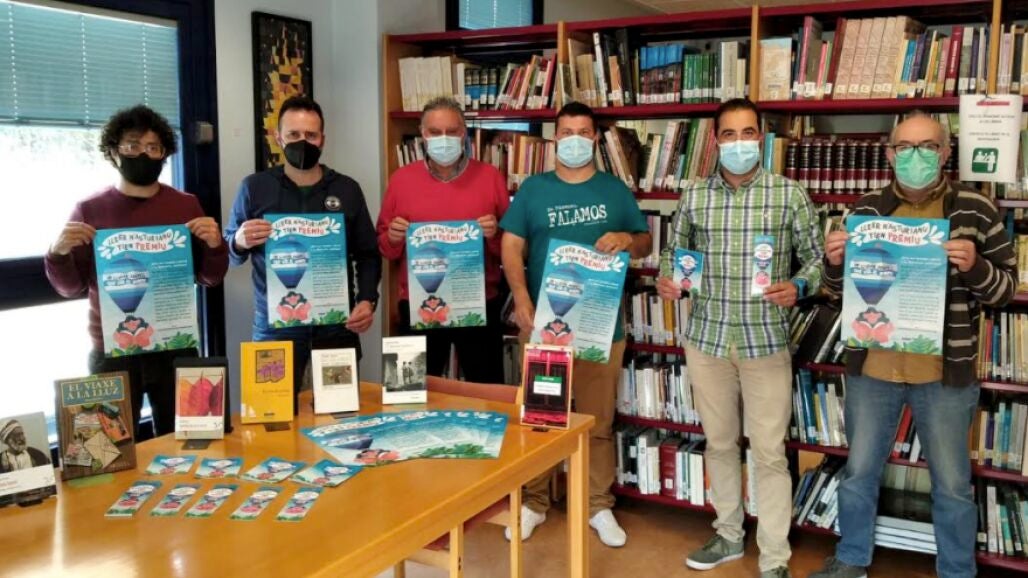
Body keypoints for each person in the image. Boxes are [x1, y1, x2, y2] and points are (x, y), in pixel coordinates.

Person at [810, 112, 1016, 578]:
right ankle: (851, 559)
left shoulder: (975, 209)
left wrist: (976, 266)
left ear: (945, 153)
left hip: (943, 375)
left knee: (952, 484)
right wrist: (834, 263)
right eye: (905, 147)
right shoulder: (866, 210)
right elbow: (835, 291)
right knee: (858, 473)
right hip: (874, 369)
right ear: (889, 154)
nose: (915, 156)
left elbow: (1004, 291)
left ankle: (957, 571)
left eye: (927, 146)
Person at [655, 98, 824, 578]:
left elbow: (817, 259)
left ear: (761, 138)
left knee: (769, 453)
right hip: (707, 340)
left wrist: (800, 286)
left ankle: (774, 557)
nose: (739, 143)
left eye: (748, 133)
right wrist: (669, 278)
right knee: (720, 443)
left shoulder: (789, 194)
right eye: (729, 134)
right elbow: (675, 253)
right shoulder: (694, 195)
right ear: (715, 141)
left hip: (765, 342)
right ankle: (728, 534)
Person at [500, 101, 652, 547]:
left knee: (597, 422)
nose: (574, 140)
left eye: (583, 133)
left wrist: (627, 239)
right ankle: (533, 502)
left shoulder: (614, 190)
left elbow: (644, 243)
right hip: (545, 326)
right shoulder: (533, 189)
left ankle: (597, 506)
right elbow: (511, 247)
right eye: (566, 132)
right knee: (541, 418)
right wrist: (521, 299)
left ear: (595, 139)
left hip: (602, 327)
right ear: (555, 139)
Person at [45, 105, 228, 438]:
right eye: (132, 145)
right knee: (107, 449)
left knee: (190, 441)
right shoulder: (90, 209)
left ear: (164, 154)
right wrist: (58, 253)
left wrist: (216, 245)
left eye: (153, 147)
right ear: (114, 151)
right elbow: (70, 287)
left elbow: (210, 277)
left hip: (174, 344)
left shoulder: (186, 205)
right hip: (112, 351)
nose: (143, 154)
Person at [225, 96, 380, 410]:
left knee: (339, 415)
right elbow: (230, 254)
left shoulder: (347, 189)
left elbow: (368, 254)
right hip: (275, 329)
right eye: (293, 134)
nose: (302, 142)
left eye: (311, 135)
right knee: (271, 416)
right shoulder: (254, 188)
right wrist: (238, 241)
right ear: (278, 137)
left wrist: (367, 299)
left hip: (336, 325)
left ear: (323, 139)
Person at [377, 96, 510, 383]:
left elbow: (510, 249)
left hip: (477, 304)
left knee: (488, 392)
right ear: (422, 134)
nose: (444, 138)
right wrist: (394, 237)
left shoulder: (490, 177)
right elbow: (385, 248)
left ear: (464, 133)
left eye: (452, 131)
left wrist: (494, 235)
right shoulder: (401, 179)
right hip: (417, 305)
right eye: (435, 132)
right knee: (406, 391)